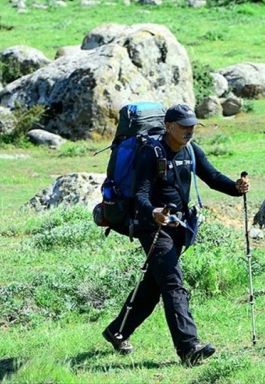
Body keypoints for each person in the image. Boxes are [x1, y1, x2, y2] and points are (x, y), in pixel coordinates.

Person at [102, 103, 251, 366]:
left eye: (192, 126)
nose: (189, 131)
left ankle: (117, 331)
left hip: (180, 226)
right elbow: (140, 195)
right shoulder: (151, 153)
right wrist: (154, 213)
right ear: (169, 126)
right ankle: (188, 348)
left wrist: (236, 188)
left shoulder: (191, 150)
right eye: (183, 126)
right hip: (153, 227)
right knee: (173, 284)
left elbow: (213, 176)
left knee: (153, 287)